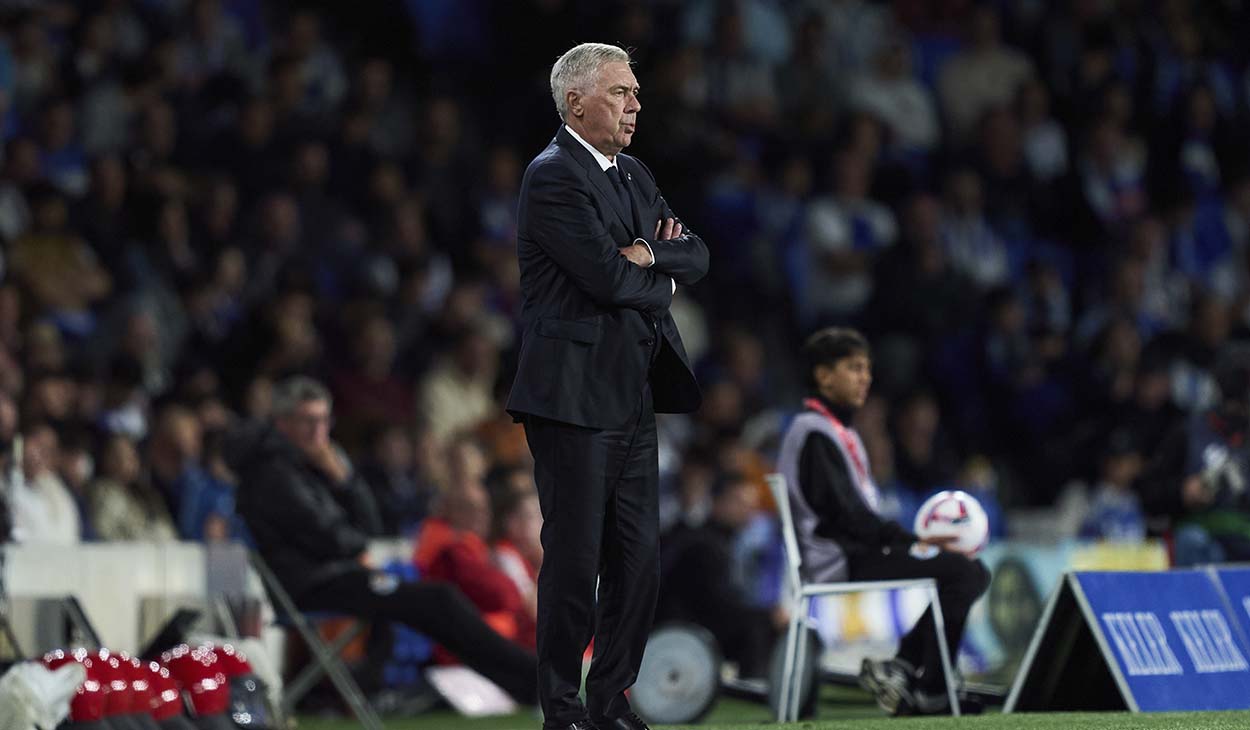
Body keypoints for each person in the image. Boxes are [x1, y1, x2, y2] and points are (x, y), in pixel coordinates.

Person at [505, 42, 709, 730]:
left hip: (631, 393)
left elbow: (696, 252)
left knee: (638, 563)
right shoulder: (553, 176)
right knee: (575, 563)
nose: (635, 106)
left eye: (635, 94)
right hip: (571, 397)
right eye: (621, 93)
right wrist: (657, 277)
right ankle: (561, 710)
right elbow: (603, 277)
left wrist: (653, 254)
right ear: (575, 102)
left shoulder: (633, 173)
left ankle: (610, 703)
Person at [230, 376, 537, 705]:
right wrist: (350, 525)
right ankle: (532, 680)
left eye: (323, 420)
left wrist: (345, 480)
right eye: (308, 421)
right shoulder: (274, 474)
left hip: (333, 575)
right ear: (282, 423)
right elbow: (338, 540)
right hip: (312, 585)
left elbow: (367, 528)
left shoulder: (306, 466)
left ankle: (525, 682)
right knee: (438, 601)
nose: (319, 432)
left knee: (437, 603)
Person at [777, 328, 990, 715]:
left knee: (971, 571)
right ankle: (928, 685)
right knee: (964, 573)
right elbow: (848, 517)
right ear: (824, 376)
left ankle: (910, 669)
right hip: (838, 559)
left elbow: (856, 516)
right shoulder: (813, 434)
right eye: (854, 368)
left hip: (856, 551)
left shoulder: (838, 431)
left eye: (868, 369)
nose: (865, 378)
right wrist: (911, 541)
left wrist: (905, 541)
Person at [656, 470, 784, 679]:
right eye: (740, 502)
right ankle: (753, 684)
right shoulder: (703, 544)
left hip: (700, 622)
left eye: (751, 503)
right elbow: (716, 605)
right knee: (759, 624)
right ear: (719, 502)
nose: (749, 510)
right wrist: (768, 614)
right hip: (679, 631)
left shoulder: (725, 541)